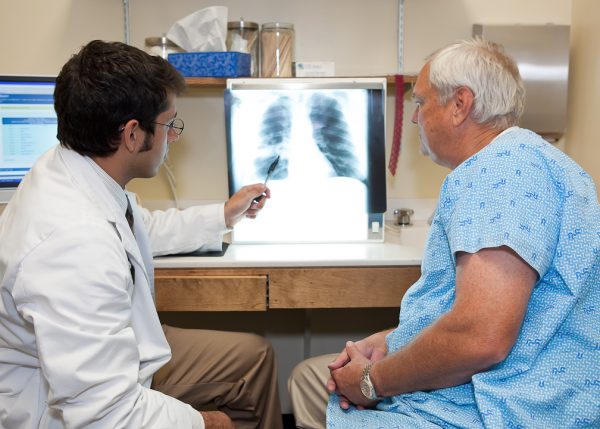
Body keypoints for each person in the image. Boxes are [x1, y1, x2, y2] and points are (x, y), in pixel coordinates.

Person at [288, 37, 600, 428]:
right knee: (313, 377)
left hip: (501, 407)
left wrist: (371, 381)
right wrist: (393, 339)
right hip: (537, 386)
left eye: (420, 102)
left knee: (321, 388)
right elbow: (495, 310)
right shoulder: (531, 161)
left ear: (460, 105)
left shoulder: (499, 173)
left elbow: (480, 336)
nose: (415, 118)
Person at [0, 40, 282, 429]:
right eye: (170, 125)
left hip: (104, 359)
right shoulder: (71, 245)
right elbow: (107, 415)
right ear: (133, 135)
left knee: (255, 355)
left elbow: (137, 228)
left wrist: (224, 214)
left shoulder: (70, 166)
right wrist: (208, 423)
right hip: (56, 406)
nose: (173, 137)